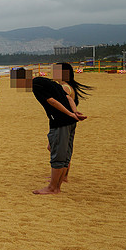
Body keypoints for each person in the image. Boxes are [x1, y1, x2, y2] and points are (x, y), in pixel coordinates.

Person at [27, 63, 90, 195]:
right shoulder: (56, 85)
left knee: (59, 153)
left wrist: (71, 113)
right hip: (70, 121)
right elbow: (67, 99)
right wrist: (75, 113)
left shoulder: (50, 86)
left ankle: (54, 187)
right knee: (64, 152)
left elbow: (54, 101)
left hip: (62, 122)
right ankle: (57, 183)